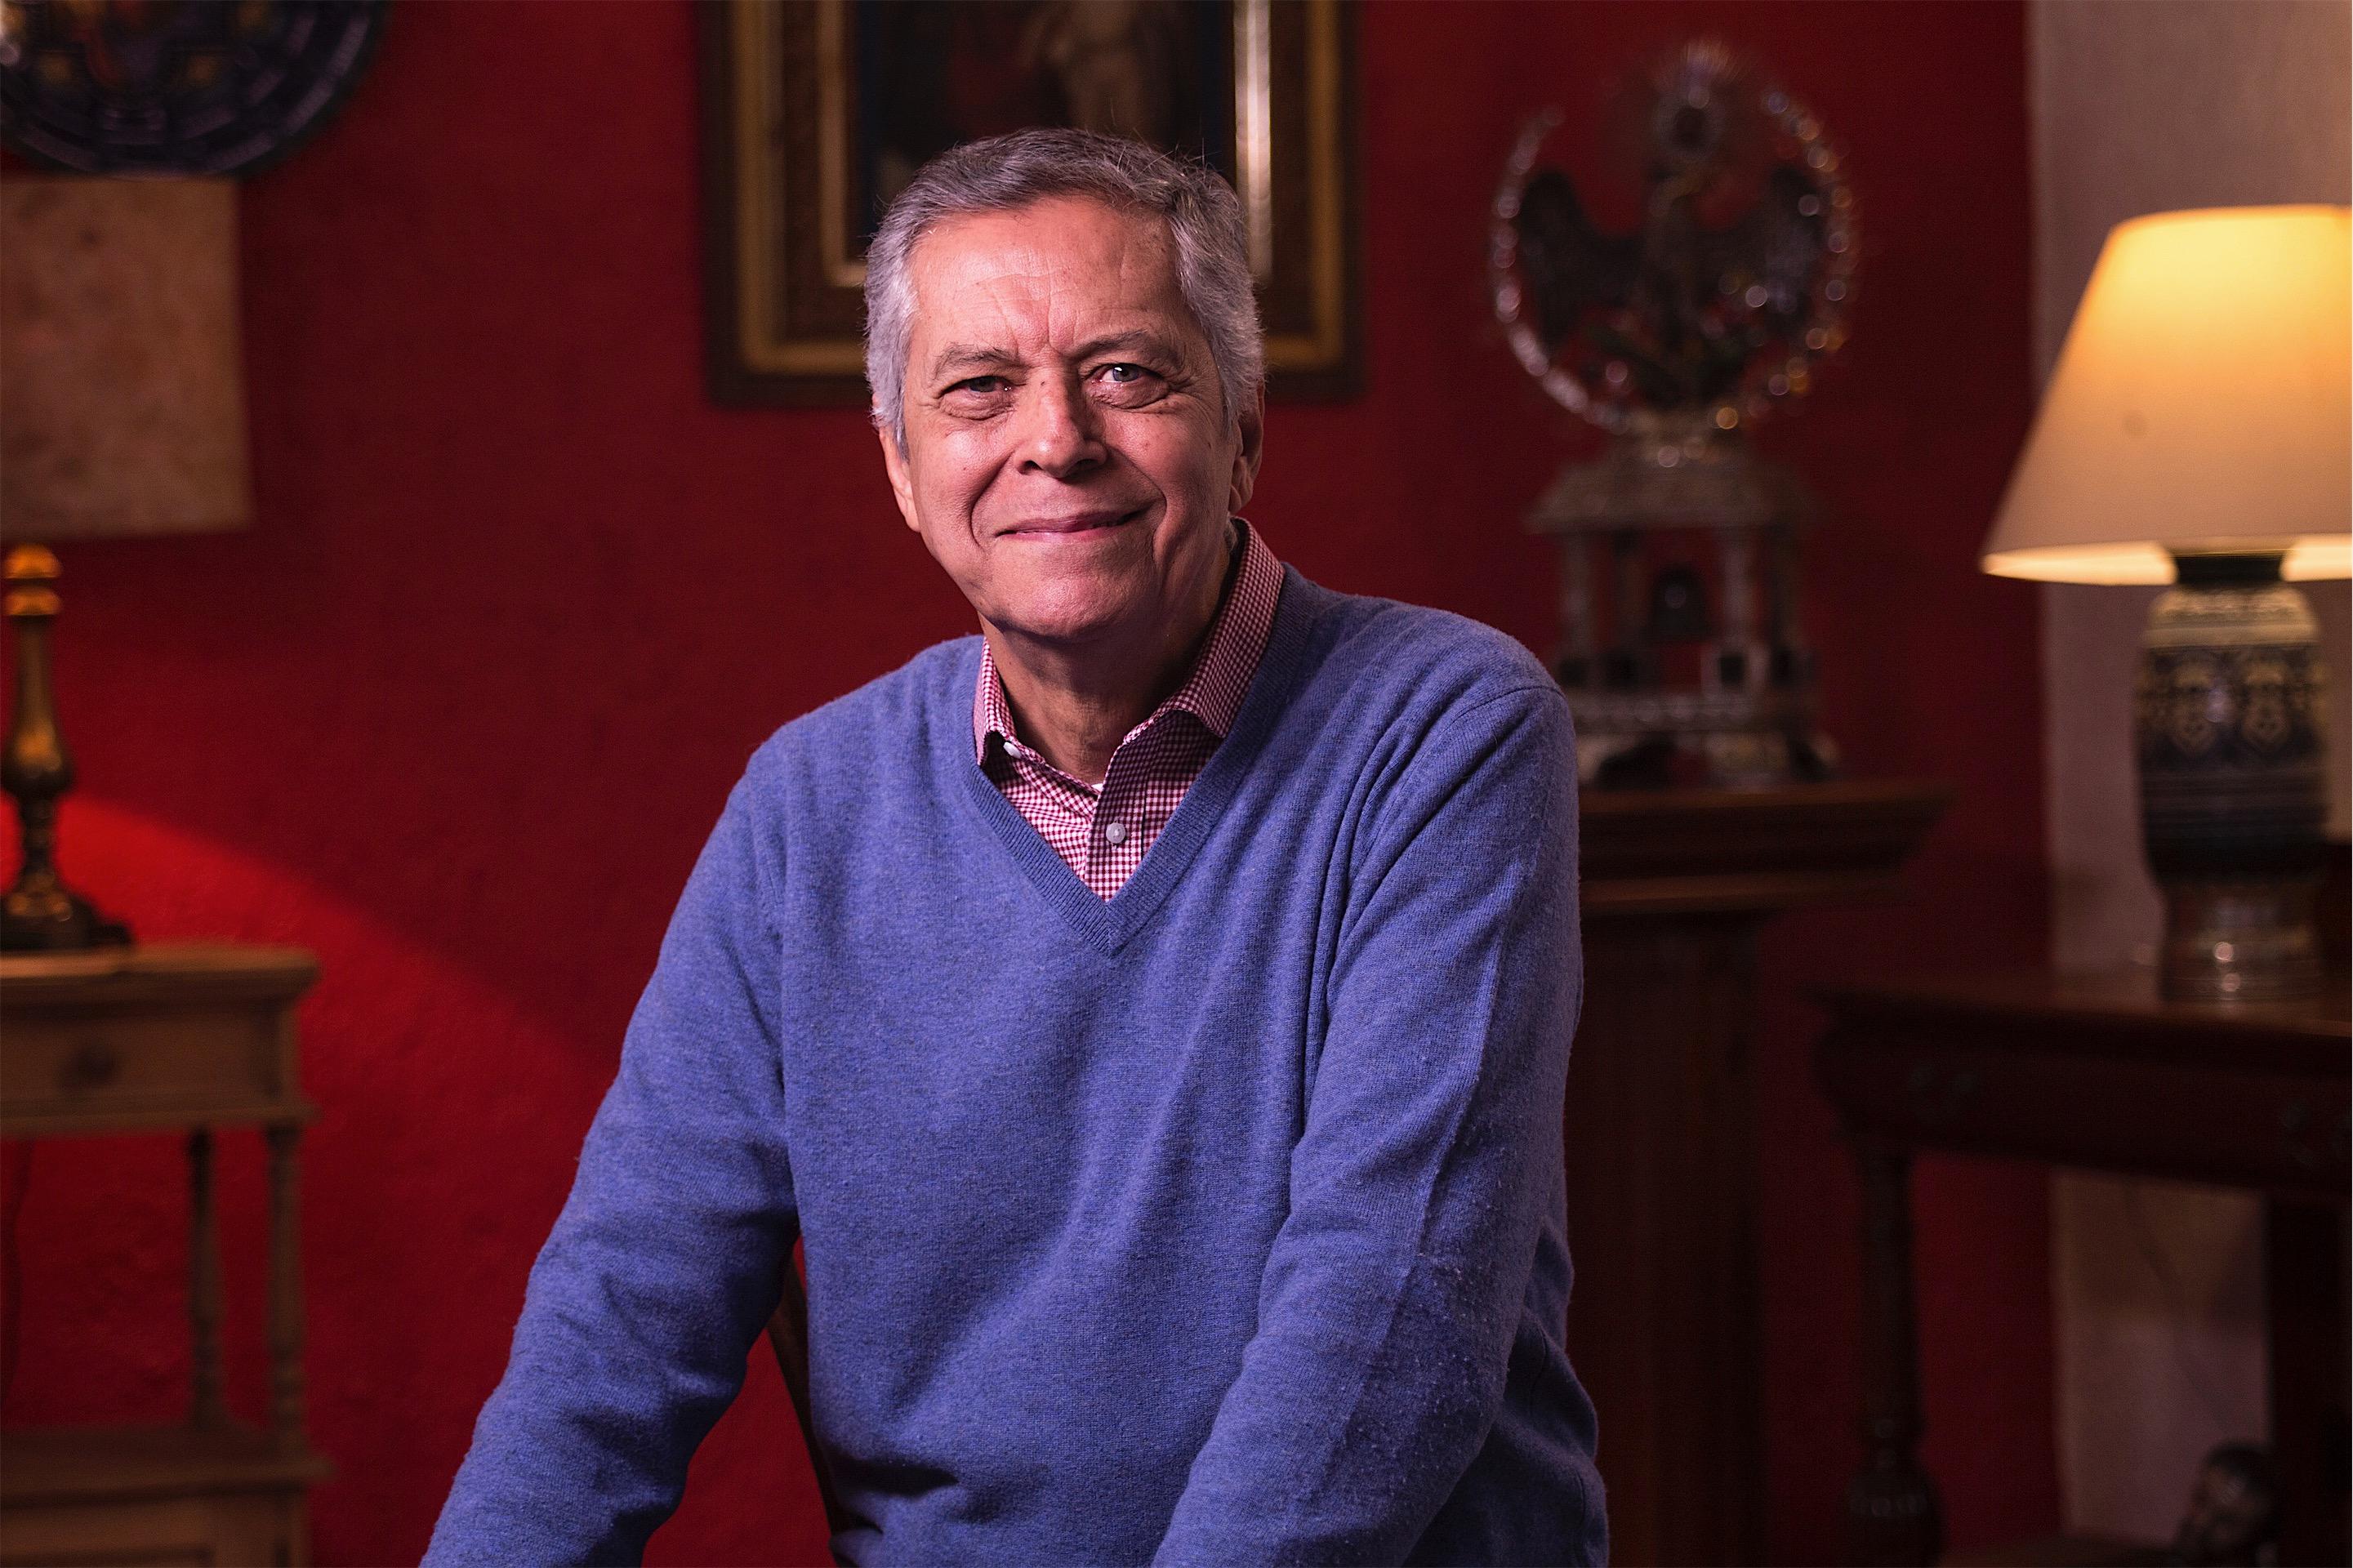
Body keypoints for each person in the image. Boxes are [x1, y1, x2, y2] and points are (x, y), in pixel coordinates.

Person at [426, 127, 1604, 1567]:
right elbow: (615, 1324)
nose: (1056, 437)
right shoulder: (809, 808)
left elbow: (1390, 1309)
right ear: (904, 469)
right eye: (978, 388)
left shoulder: (1443, 731)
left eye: (1127, 373)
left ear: (1241, 430)